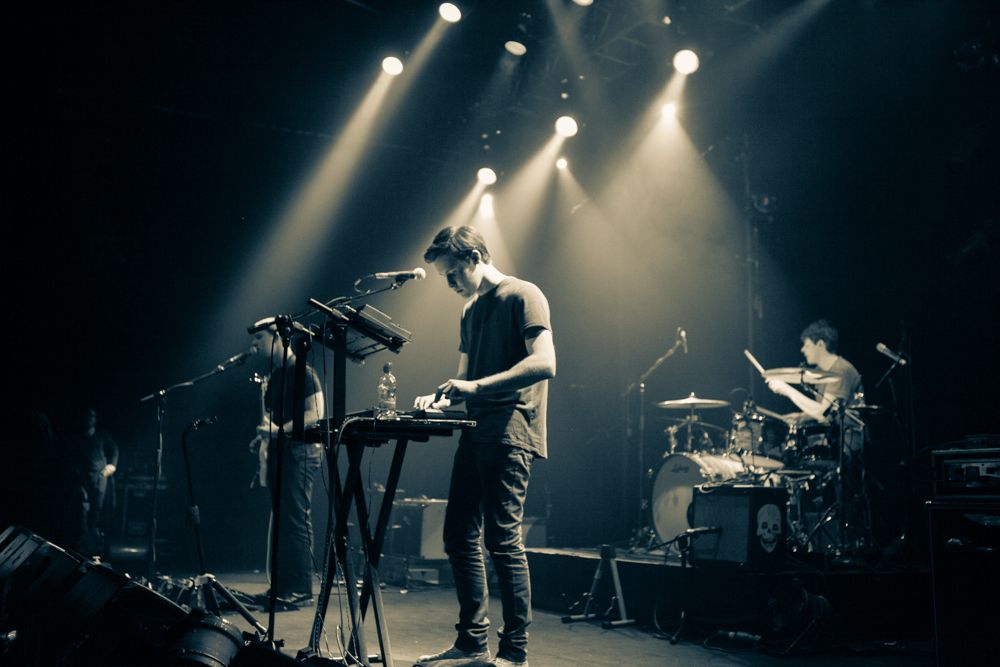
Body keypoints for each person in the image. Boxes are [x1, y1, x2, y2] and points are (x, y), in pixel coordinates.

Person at [413, 226, 556, 667]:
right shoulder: (470, 310)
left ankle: (515, 652)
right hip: (476, 431)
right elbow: (465, 380)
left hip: (512, 429)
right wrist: (439, 401)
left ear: (474, 256)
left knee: (502, 539)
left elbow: (545, 362)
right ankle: (473, 644)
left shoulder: (523, 294)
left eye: (453, 273)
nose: (450, 284)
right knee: (458, 535)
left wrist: (472, 385)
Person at [249, 325, 325, 606]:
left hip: (301, 453)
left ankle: (301, 590)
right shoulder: (277, 374)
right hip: (283, 451)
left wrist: (279, 431)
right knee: (282, 521)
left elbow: (316, 415)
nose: (255, 343)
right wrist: (264, 438)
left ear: (279, 338)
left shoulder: (303, 372)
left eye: (260, 337)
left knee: (295, 520)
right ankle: (281, 588)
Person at [76, 407, 119, 548]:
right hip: (82, 477)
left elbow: (114, 449)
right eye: (87, 416)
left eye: (92, 416)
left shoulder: (102, 435)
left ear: (95, 419)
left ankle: (94, 538)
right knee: (82, 506)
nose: (89, 419)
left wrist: (111, 466)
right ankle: (83, 539)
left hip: (100, 475)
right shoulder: (78, 438)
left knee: (97, 508)